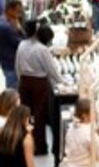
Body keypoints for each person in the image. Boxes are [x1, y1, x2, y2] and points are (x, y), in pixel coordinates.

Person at [15, 23, 63, 157]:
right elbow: (51, 70)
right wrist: (62, 82)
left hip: (24, 81)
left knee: (25, 114)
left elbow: (17, 65)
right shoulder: (42, 49)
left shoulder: (22, 45)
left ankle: (24, 144)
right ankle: (39, 146)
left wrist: (21, 80)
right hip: (39, 83)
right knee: (39, 114)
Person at [0, 0, 24, 89]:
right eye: (18, 12)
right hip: (10, 64)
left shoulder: (5, 23)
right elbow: (22, 44)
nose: (19, 15)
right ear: (10, 10)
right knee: (12, 92)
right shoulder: (7, 27)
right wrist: (19, 30)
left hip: (6, 62)